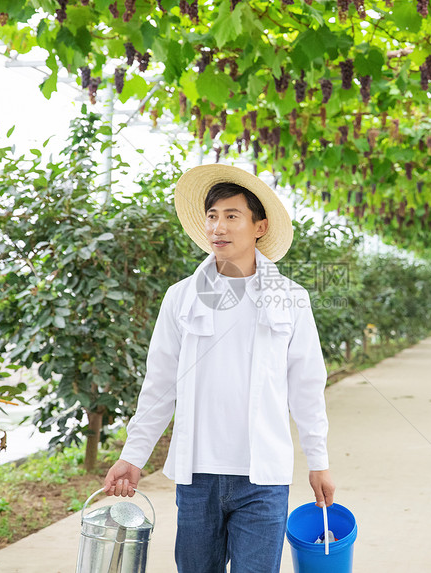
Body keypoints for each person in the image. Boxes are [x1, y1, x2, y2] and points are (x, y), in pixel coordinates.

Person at [103, 164, 335, 572]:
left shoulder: (290, 298)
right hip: (198, 476)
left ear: (259, 226)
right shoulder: (181, 298)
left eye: (232, 216)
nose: (218, 227)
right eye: (212, 216)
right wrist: (133, 455)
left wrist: (319, 460)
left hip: (263, 478)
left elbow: (307, 386)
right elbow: (159, 384)